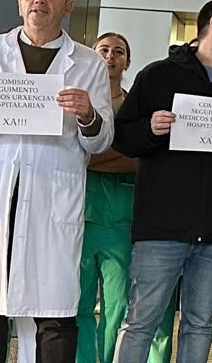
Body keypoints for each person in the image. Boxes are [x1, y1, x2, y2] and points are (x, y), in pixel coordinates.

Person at [0, 0, 114, 363]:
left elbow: (100, 139)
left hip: (50, 193)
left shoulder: (89, 63)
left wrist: (88, 115)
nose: (40, 0)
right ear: (19, 4)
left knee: (54, 310)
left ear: (68, 6)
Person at [112, 0, 212, 363]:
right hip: (161, 227)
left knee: (200, 324)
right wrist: (150, 128)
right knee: (140, 322)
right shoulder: (156, 76)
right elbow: (123, 138)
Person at [76, 32, 139, 363]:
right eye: (103, 50)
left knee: (118, 305)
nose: (110, 56)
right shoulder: (79, 102)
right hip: (80, 216)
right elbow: (71, 152)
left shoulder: (134, 106)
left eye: (118, 52)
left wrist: (89, 157)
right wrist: (111, 153)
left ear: (127, 61)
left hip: (120, 220)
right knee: (78, 302)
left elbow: (137, 159)